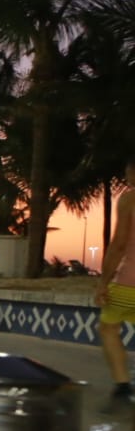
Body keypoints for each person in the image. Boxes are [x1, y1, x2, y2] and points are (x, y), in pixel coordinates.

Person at [96, 157, 135, 403]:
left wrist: (103, 282)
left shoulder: (130, 199)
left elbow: (119, 244)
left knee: (108, 328)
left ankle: (122, 385)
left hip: (129, 284)